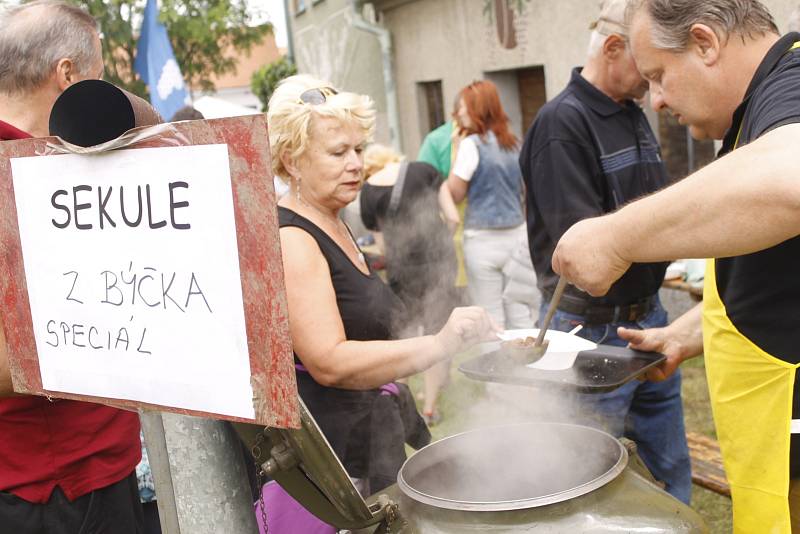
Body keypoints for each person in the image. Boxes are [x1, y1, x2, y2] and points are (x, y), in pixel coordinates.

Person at [551, 0, 800, 531]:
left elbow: (792, 181)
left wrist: (615, 236)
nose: (657, 100)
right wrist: (692, 330)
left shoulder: (794, 81)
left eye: (660, 76)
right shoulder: (754, 113)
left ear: (706, 43)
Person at [267, 75, 498, 497]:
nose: (356, 163)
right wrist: (438, 344)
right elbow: (330, 361)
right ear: (292, 159)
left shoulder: (332, 220)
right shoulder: (293, 240)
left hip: (367, 441)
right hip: (340, 470)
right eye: (338, 152)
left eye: (357, 149)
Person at [518, 0, 691, 504]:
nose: (657, 89)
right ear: (614, 48)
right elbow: (587, 250)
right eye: (649, 67)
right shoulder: (561, 124)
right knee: (589, 473)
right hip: (588, 329)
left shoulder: (632, 112)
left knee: (668, 462)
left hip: (650, 321)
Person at [0, 2, 143, 532]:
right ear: (68, 75)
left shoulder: (64, 162)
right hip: (51, 489)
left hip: (102, 465)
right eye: (98, 77)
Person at [359, 143, 459, 424]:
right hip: (439, 267)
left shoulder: (367, 192)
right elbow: (453, 217)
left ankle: (398, 405)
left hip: (402, 273)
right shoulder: (425, 171)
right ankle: (429, 409)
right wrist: (440, 244)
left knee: (405, 337)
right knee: (437, 335)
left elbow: (383, 249)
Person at [439, 80, 529, 329]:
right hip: (518, 237)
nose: (459, 114)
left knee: (490, 318)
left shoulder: (470, 146)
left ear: (478, 108)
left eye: (463, 107)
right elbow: (526, 193)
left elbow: (455, 194)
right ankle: (527, 366)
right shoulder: (516, 144)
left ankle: (493, 367)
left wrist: (455, 152)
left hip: (482, 240)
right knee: (521, 314)